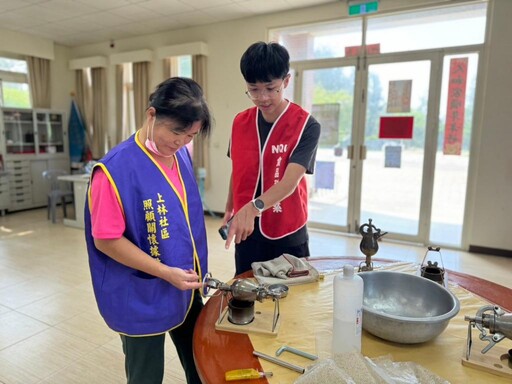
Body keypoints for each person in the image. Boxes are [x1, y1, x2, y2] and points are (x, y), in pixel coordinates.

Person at [84, 77, 212, 384]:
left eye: (190, 135)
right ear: (151, 115)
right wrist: (165, 272)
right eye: (176, 132)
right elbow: (107, 240)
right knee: (146, 376)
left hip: (184, 283)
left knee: (202, 362)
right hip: (140, 291)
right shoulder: (114, 170)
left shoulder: (179, 154)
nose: (181, 142)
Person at [223, 41, 321, 276]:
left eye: (270, 88)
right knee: (249, 291)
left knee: (291, 298)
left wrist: (253, 207)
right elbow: (238, 169)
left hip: (287, 229)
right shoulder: (240, 122)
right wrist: (230, 208)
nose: (263, 97)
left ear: (286, 81)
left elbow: (289, 183)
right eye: (253, 90)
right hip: (247, 229)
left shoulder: (306, 125)